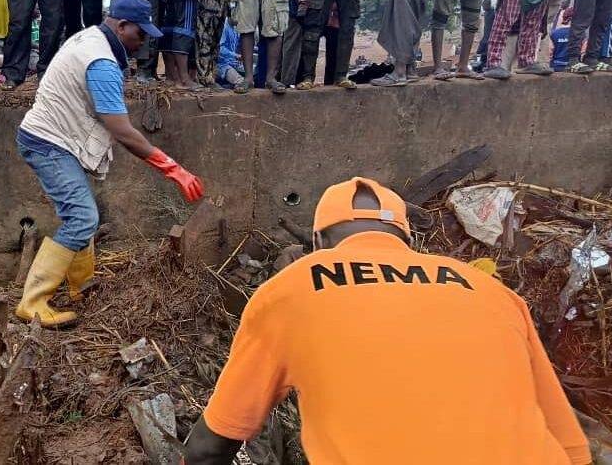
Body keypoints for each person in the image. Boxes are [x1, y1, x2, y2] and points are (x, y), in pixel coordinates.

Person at [184, 177, 591, 465]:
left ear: (319, 243)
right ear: (407, 241)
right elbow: (572, 447)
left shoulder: (290, 290)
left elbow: (209, 447)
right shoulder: (493, 293)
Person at [15, 0, 203, 327]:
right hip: (49, 143)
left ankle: (81, 286)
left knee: (81, 214)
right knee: (82, 217)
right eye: (140, 33)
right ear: (121, 26)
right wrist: (174, 169)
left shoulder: (92, 39)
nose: (143, 42)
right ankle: (33, 302)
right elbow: (122, 131)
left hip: (54, 138)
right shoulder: (100, 62)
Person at [473, 0, 495, 71]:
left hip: (491, 35)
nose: (483, 8)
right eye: (482, 7)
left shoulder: (494, 13)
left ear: (488, 5)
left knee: (487, 51)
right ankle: (480, 65)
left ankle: (486, 66)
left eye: (484, 6)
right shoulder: (485, 13)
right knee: (481, 51)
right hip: (485, 35)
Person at [550, 6, 572, 71]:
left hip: (555, 66)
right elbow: (583, 52)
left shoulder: (554, 33)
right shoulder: (579, 34)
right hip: (571, 67)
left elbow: (550, 52)